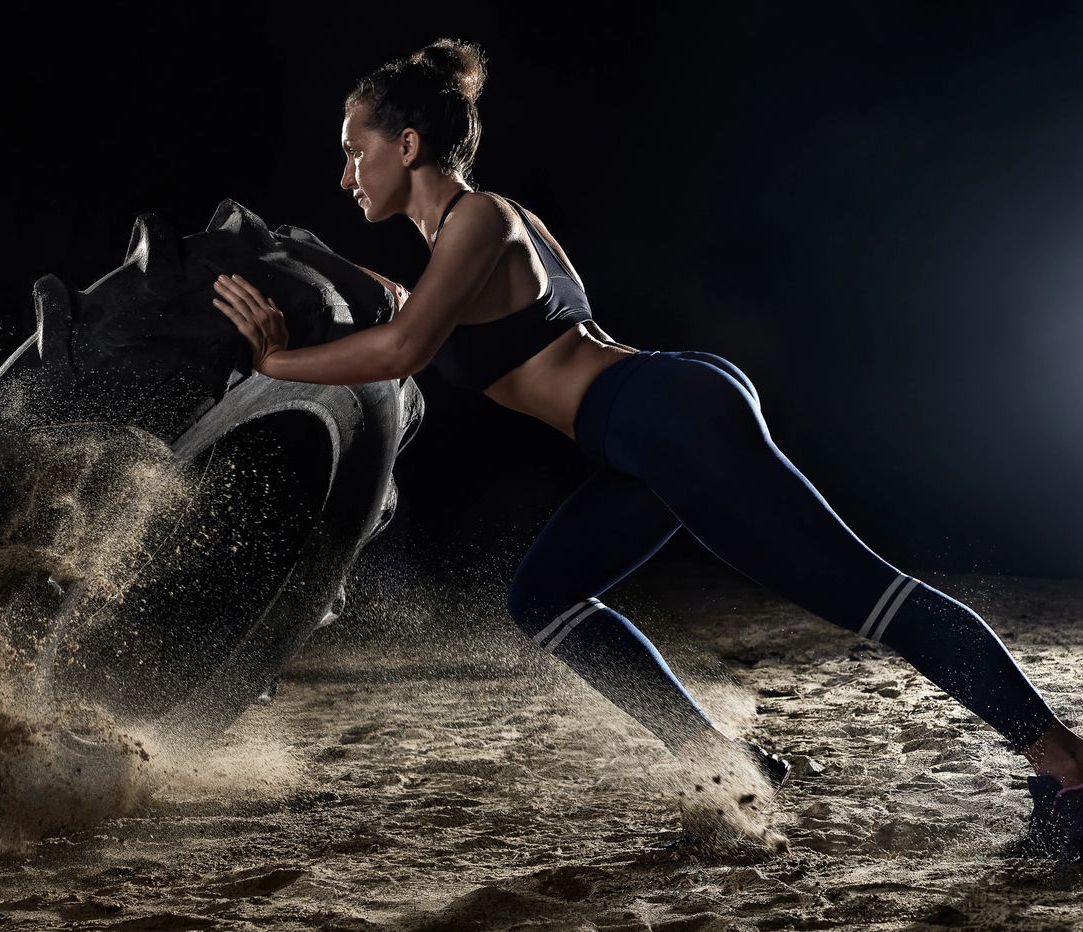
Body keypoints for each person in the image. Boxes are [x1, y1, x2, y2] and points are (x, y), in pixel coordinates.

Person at [212, 37, 1083, 860]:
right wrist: (323, 264)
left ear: (406, 145)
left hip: (660, 415)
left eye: (353, 150)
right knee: (545, 598)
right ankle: (727, 763)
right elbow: (422, 306)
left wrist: (278, 359)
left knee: (866, 597)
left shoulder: (480, 218)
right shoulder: (465, 240)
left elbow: (404, 347)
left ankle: (1067, 769)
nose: (343, 173)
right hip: (644, 428)